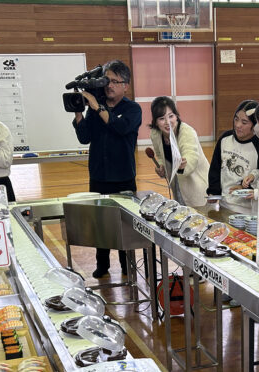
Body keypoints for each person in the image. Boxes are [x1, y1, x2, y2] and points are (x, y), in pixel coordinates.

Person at [72, 60, 142, 279]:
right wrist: (79, 113)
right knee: (99, 223)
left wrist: (97, 107)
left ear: (125, 86)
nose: (109, 85)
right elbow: (84, 137)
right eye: (107, 81)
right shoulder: (95, 108)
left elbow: (120, 128)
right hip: (99, 176)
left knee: (124, 226)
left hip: (123, 177)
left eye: (115, 81)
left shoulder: (132, 109)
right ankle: (102, 264)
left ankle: (127, 265)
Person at [148, 96, 209, 207]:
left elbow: (191, 156)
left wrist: (184, 165)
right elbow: (160, 155)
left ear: (176, 116)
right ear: (155, 122)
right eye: (161, 118)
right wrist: (161, 166)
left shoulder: (187, 132)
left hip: (196, 184)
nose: (167, 122)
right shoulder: (155, 134)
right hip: (177, 183)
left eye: (171, 116)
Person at [206, 99, 259, 214]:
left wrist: (246, 188)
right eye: (236, 119)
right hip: (224, 205)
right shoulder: (225, 138)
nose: (238, 125)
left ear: (255, 125)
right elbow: (215, 168)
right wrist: (213, 191)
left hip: (247, 210)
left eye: (244, 122)